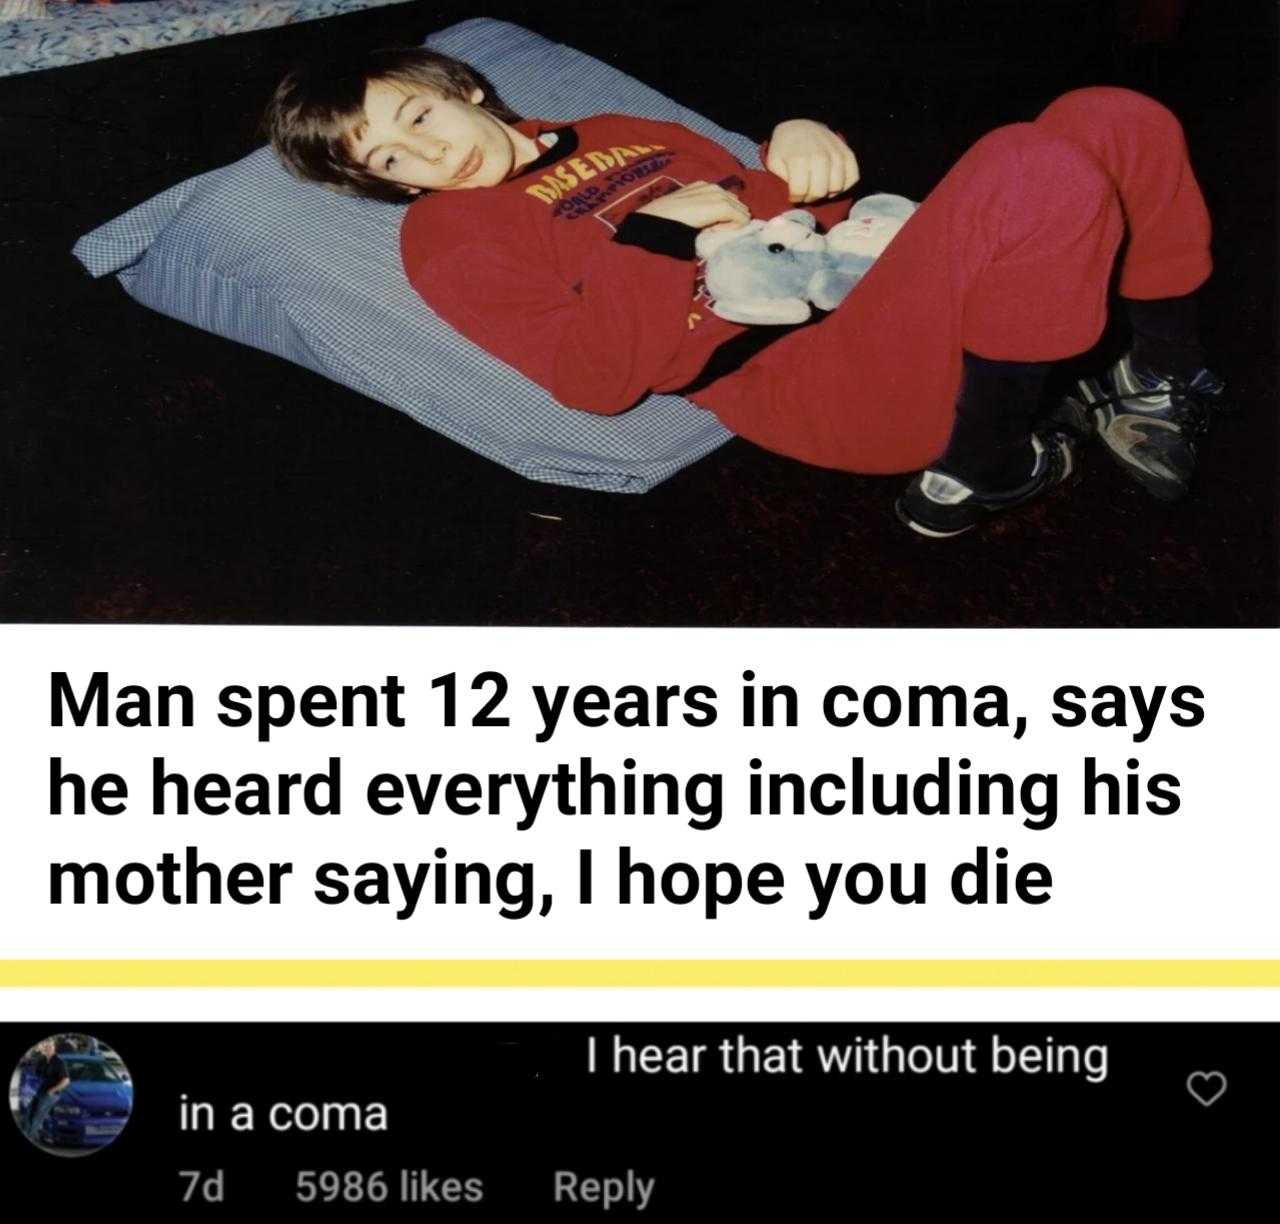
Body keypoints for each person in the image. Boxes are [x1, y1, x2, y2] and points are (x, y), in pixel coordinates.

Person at [265, 47, 1225, 536]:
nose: (429, 151)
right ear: (390, 184)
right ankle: (986, 455)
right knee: (1033, 165)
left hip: (870, 293)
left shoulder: (611, 127)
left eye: (419, 113)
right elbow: (591, 380)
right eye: (393, 157)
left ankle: (1157, 380)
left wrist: (796, 147)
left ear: (462, 88)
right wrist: (653, 233)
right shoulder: (445, 233)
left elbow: (784, 223)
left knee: (1113, 118)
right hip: (812, 384)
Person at [23, 1037, 70, 1142]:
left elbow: (66, 1080)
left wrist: (52, 1090)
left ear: (54, 1048)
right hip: (41, 1090)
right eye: (46, 1047)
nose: (48, 1048)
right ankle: (29, 1133)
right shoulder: (43, 1060)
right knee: (29, 1111)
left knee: (37, 1115)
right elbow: (34, 1071)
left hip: (51, 1094)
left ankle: (30, 1136)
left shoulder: (59, 1062)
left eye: (50, 1046)